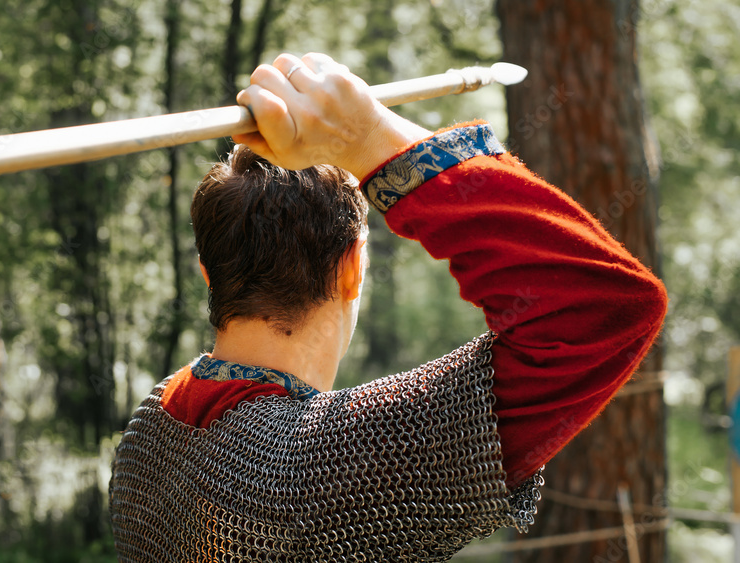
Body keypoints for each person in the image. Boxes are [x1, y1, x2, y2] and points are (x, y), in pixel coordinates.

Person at [109, 53, 667, 561]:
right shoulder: (328, 465)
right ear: (352, 266)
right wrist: (369, 136)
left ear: (207, 273)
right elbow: (605, 305)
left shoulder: (148, 436)